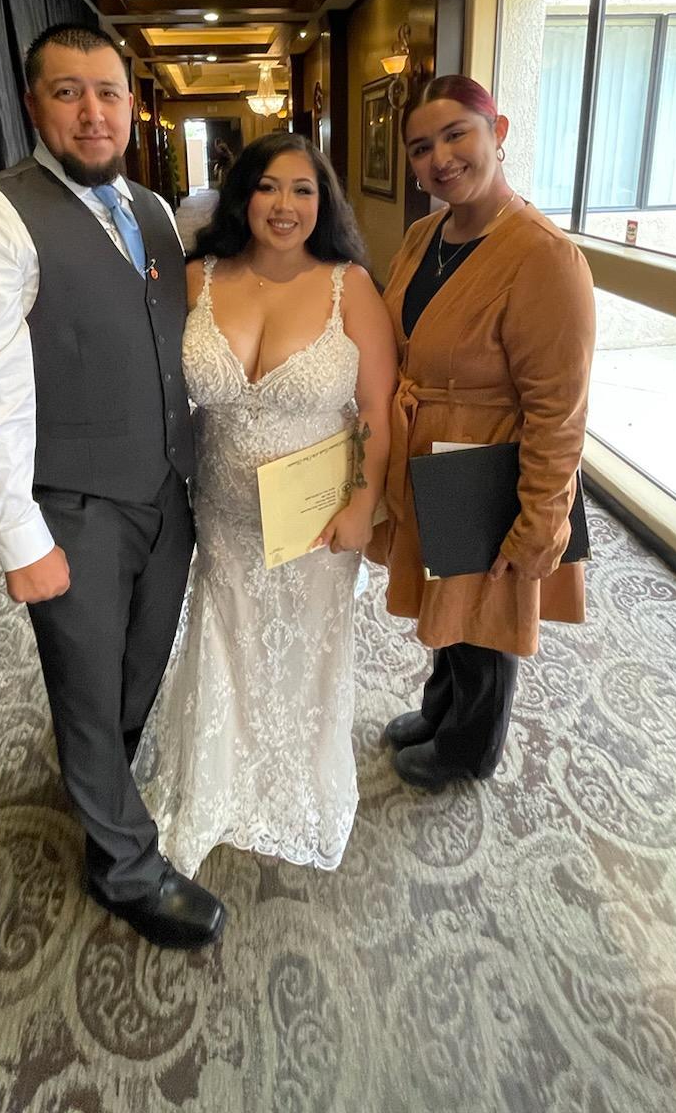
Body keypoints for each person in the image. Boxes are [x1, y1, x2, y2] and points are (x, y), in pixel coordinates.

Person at [0, 24, 225, 949]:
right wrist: (20, 538)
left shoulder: (156, 210)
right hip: (75, 504)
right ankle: (123, 866)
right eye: (68, 92)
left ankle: (103, 783)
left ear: (132, 106)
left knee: (140, 667)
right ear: (33, 104)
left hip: (166, 490)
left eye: (108, 93)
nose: (93, 113)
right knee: (87, 688)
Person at [135, 134, 396, 874]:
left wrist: (363, 503)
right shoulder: (197, 279)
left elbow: (378, 409)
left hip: (316, 515)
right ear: (242, 195)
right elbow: (152, 385)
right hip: (221, 512)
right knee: (226, 635)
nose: (285, 205)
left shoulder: (351, 287)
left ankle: (295, 779)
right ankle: (217, 780)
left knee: (308, 647)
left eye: (303, 190)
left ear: (323, 202)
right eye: (269, 187)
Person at [372, 75, 595, 789]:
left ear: (497, 132)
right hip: (433, 454)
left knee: (485, 615)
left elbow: (560, 409)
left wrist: (541, 518)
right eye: (420, 148)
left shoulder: (544, 257)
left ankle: (469, 749)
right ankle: (440, 710)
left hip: (491, 459)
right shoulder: (425, 235)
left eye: (456, 135)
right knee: (450, 605)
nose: (439, 158)